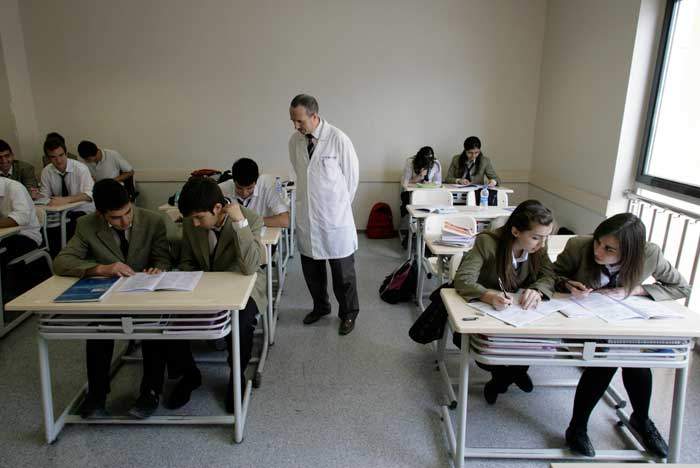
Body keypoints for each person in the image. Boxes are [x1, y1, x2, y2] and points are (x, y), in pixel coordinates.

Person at [553, 213, 689, 458]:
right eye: (598, 242)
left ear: (630, 251)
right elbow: (550, 276)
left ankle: (641, 420)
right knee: (608, 360)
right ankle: (578, 427)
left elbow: (681, 287)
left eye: (609, 249)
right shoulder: (579, 246)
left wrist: (638, 290)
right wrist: (566, 285)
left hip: (622, 323)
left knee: (632, 357)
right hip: (581, 325)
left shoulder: (650, 254)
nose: (598, 250)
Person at [53, 179, 172, 419]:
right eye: (116, 218)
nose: (125, 221)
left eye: (128, 212)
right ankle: (97, 394)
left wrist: (156, 269)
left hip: (145, 293)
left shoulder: (153, 220)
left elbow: (163, 259)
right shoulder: (86, 225)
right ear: (100, 213)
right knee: (98, 330)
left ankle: (150, 391)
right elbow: (61, 262)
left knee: (154, 329)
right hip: (111, 295)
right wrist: (100, 268)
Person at [167, 177, 265, 413]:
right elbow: (188, 260)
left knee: (241, 321)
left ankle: (237, 375)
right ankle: (190, 375)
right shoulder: (193, 223)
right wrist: (189, 282)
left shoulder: (249, 219)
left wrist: (239, 224)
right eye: (193, 219)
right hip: (203, 284)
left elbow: (250, 266)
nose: (196, 224)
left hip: (243, 286)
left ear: (218, 208)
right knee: (169, 319)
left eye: (200, 218)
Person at [453, 200, 556, 404]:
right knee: (476, 344)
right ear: (516, 231)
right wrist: (488, 296)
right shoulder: (487, 242)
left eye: (545, 238)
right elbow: (463, 279)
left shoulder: (538, 247)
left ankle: (510, 374)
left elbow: (549, 276)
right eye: (535, 237)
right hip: (484, 310)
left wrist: (537, 289)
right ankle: (503, 375)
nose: (542, 244)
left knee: (535, 341)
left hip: (518, 311)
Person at [288, 93, 360, 335]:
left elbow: (351, 180)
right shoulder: (295, 142)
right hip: (308, 218)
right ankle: (321, 307)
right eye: (293, 121)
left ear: (314, 116)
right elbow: (302, 175)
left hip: (335, 220)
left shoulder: (338, 139)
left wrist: (336, 209)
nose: (296, 126)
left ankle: (349, 313)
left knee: (343, 274)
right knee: (312, 270)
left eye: (300, 121)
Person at [39, 136, 95, 255]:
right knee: (45, 229)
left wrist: (66, 200)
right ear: (47, 158)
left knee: (71, 226)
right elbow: (45, 196)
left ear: (66, 153)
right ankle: (54, 259)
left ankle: (71, 256)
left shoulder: (80, 168)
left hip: (82, 209)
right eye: (53, 157)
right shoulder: (46, 171)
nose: (58, 160)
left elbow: (89, 194)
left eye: (61, 155)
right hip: (59, 211)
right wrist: (37, 197)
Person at [0, 177, 44, 300]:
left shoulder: (14, 187)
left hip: (26, 235)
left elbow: (20, 219)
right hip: (4, 236)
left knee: (2, 255)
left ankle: (7, 300)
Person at [218, 157, 290, 228]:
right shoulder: (223, 188)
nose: (244, 193)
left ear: (256, 181)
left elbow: (284, 221)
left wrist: (250, 222)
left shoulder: (268, 185)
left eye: (249, 188)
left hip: (264, 232)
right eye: (239, 188)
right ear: (233, 181)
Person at [445, 136, 500, 205]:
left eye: (476, 152)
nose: (473, 156)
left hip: (476, 196)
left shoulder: (485, 161)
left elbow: (497, 179)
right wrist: (459, 180)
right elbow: (447, 179)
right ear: (465, 150)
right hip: (458, 195)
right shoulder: (456, 159)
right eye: (470, 153)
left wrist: (493, 181)